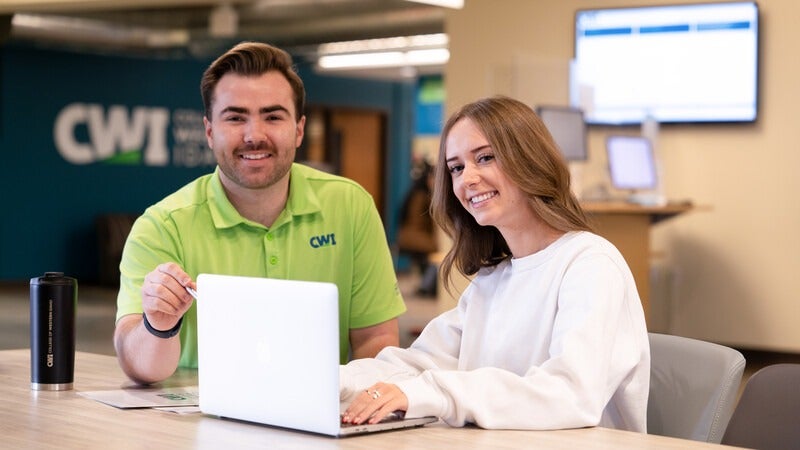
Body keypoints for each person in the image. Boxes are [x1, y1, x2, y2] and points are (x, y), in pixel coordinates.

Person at [339, 96, 650, 432]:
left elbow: (570, 395)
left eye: (485, 158)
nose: (467, 179)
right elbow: (417, 365)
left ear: (529, 159)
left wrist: (438, 392)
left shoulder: (591, 264)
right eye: (456, 168)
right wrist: (333, 381)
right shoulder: (493, 280)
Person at [114, 41, 406, 385]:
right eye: (235, 118)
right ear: (209, 132)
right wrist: (157, 324)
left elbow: (376, 340)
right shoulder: (162, 227)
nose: (254, 135)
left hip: (317, 413)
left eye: (273, 117)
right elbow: (139, 367)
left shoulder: (350, 207)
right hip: (199, 415)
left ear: (299, 130)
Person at [396, 159, 438, 296]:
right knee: (440, 253)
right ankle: (427, 287)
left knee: (436, 255)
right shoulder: (423, 196)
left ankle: (427, 286)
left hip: (406, 236)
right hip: (416, 238)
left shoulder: (414, 193)